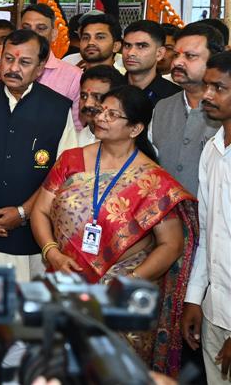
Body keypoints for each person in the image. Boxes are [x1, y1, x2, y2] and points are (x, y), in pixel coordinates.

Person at [31, 85, 197, 376]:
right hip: (67, 283)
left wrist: (129, 281)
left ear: (135, 128)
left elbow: (171, 245)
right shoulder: (71, 160)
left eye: (112, 114)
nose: (100, 118)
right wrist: (52, 253)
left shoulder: (153, 181)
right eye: (100, 111)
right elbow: (40, 211)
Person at [0, 30, 77, 385]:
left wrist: (22, 213)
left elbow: (60, 176)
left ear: (40, 67)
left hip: (26, 244)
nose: (13, 67)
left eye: (24, 62)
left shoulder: (59, 108)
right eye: (8, 59)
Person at [183, 51, 231, 383]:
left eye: (220, 88)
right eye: (207, 86)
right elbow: (207, 233)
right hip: (215, 309)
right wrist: (194, 297)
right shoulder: (212, 150)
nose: (208, 95)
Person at [150, 23, 224, 195]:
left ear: (214, 60)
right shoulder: (162, 108)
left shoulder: (225, 110)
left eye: (190, 56)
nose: (177, 62)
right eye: (176, 55)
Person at [21, 4, 83, 129]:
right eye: (26, 28)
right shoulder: (9, 70)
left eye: (41, 28)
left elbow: (76, 128)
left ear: (54, 34)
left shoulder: (73, 76)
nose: (32, 34)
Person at [122, 20, 181, 106]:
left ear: (159, 53)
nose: (130, 53)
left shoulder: (176, 97)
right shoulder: (108, 88)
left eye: (141, 46)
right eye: (127, 45)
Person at [76, 65, 125, 147]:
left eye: (97, 97)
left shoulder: (124, 145)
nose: (87, 104)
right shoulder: (73, 140)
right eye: (83, 96)